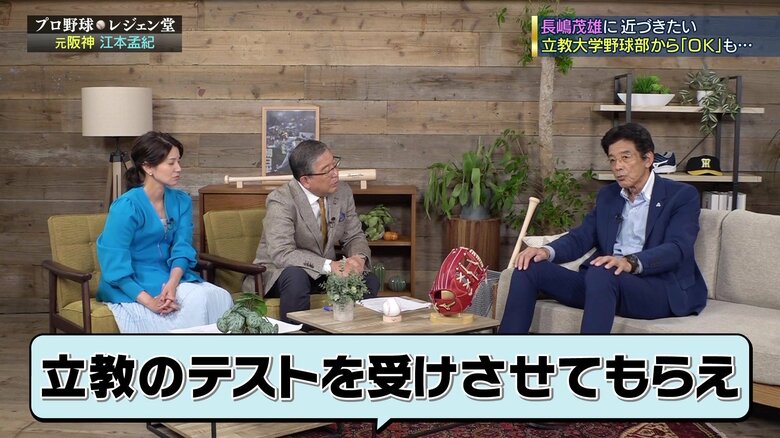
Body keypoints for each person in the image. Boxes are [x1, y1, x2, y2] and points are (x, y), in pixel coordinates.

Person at [499, 122, 707, 334]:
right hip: (603, 284)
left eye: (625, 157)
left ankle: (591, 354)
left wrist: (629, 262)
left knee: (602, 270)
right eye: (612, 159)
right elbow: (581, 237)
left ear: (647, 159)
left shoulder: (681, 195)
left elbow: (677, 248)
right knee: (530, 267)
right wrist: (546, 251)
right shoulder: (609, 196)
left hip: (655, 288)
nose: (617, 166)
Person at [97, 131, 232, 332]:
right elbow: (114, 264)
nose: (178, 168)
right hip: (133, 282)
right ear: (148, 167)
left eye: (179, 161)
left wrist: (172, 283)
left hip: (171, 276)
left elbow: (182, 247)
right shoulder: (126, 207)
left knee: (219, 296)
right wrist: (150, 302)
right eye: (171, 163)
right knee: (197, 300)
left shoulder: (181, 201)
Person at [246, 139, 379, 322]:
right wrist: (330, 266)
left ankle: (353, 333)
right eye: (327, 170)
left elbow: (354, 235)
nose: (335, 173)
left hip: (322, 273)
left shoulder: (342, 192)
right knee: (296, 277)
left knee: (368, 279)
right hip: (279, 273)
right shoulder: (281, 200)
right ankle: (297, 336)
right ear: (306, 180)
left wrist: (358, 258)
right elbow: (282, 253)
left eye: (335, 165)